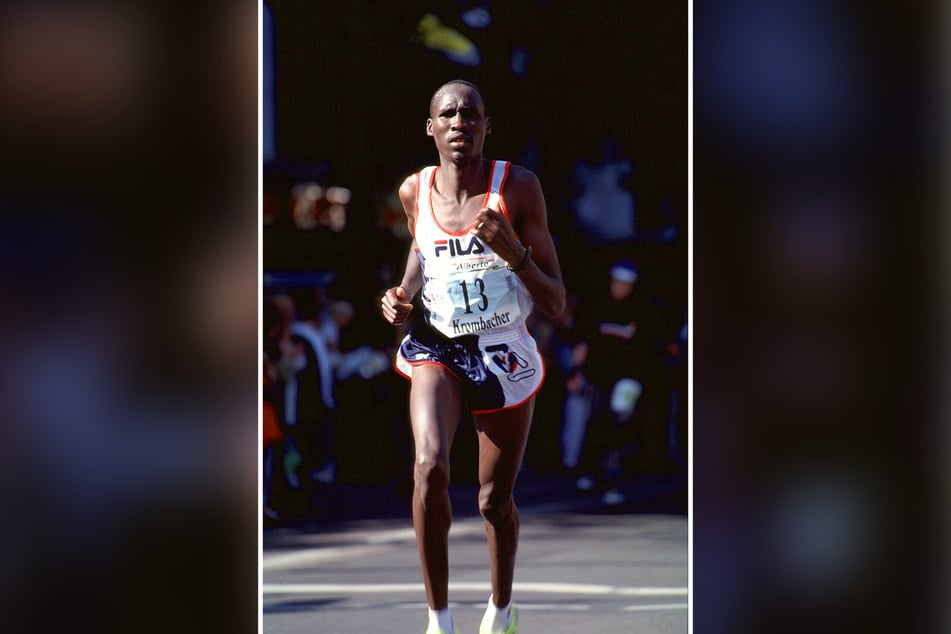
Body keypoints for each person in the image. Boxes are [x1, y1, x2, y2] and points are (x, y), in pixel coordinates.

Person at [380, 79, 565, 634]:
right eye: (449, 114)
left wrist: (515, 253)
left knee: (492, 500)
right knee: (429, 467)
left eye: (472, 114)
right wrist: (402, 295)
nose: (461, 122)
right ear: (431, 127)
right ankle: (438, 619)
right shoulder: (414, 190)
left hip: (502, 350)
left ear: (487, 127)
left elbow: (555, 302)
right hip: (438, 343)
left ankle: (502, 607)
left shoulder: (519, 187)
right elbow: (422, 250)